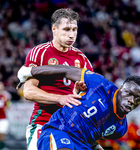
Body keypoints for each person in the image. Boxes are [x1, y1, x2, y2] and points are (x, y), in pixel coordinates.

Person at [17, 65, 140, 150]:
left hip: (82, 145)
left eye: (137, 99)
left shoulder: (120, 128)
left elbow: (91, 136)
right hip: (59, 130)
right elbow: (65, 70)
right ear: (120, 89)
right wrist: (29, 71)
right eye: (129, 94)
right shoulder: (100, 84)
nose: (131, 100)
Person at [18, 8, 94, 150]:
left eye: (74, 29)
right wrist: (60, 98)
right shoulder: (40, 53)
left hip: (72, 127)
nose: (71, 35)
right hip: (44, 122)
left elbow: (91, 98)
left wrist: (80, 93)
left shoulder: (82, 60)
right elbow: (28, 92)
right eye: (66, 29)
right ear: (54, 29)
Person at [0, 81, 11, 149]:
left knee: (2, 134)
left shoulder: (5, 96)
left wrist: (7, 107)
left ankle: (1, 147)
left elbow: (8, 105)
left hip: (3, 118)